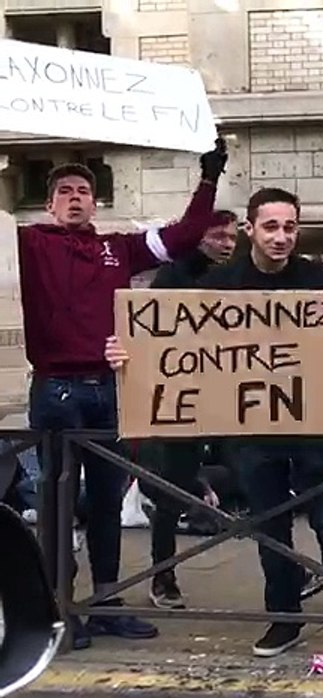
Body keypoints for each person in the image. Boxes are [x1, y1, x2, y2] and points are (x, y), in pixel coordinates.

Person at [109, 186, 323, 661]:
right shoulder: (221, 285)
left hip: (314, 428)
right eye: (271, 226)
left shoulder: (319, 278)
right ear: (251, 229)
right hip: (252, 433)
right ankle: (284, 621)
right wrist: (127, 357)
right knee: (272, 530)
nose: (281, 237)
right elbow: (172, 339)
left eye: (290, 227)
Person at [24, 139, 228, 650]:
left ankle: (107, 602)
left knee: (107, 501)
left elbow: (183, 237)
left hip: (108, 388)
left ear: (97, 202)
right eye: (64, 192)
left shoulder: (117, 248)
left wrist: (209, 177)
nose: (74, 198)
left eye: (84, 191)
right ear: (50, 204)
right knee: (57, 500)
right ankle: (56, 606)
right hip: (56, 390)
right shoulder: (30, 244)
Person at [143, 210, 240, 609]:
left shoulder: (239, 275)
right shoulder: (172, 277)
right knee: (172, 492)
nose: (227, 244)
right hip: (185, 400)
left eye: (232, 237)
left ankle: (288, 571)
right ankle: (162, 574)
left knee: (259, 484)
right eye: (218, 236)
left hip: (236, 398)